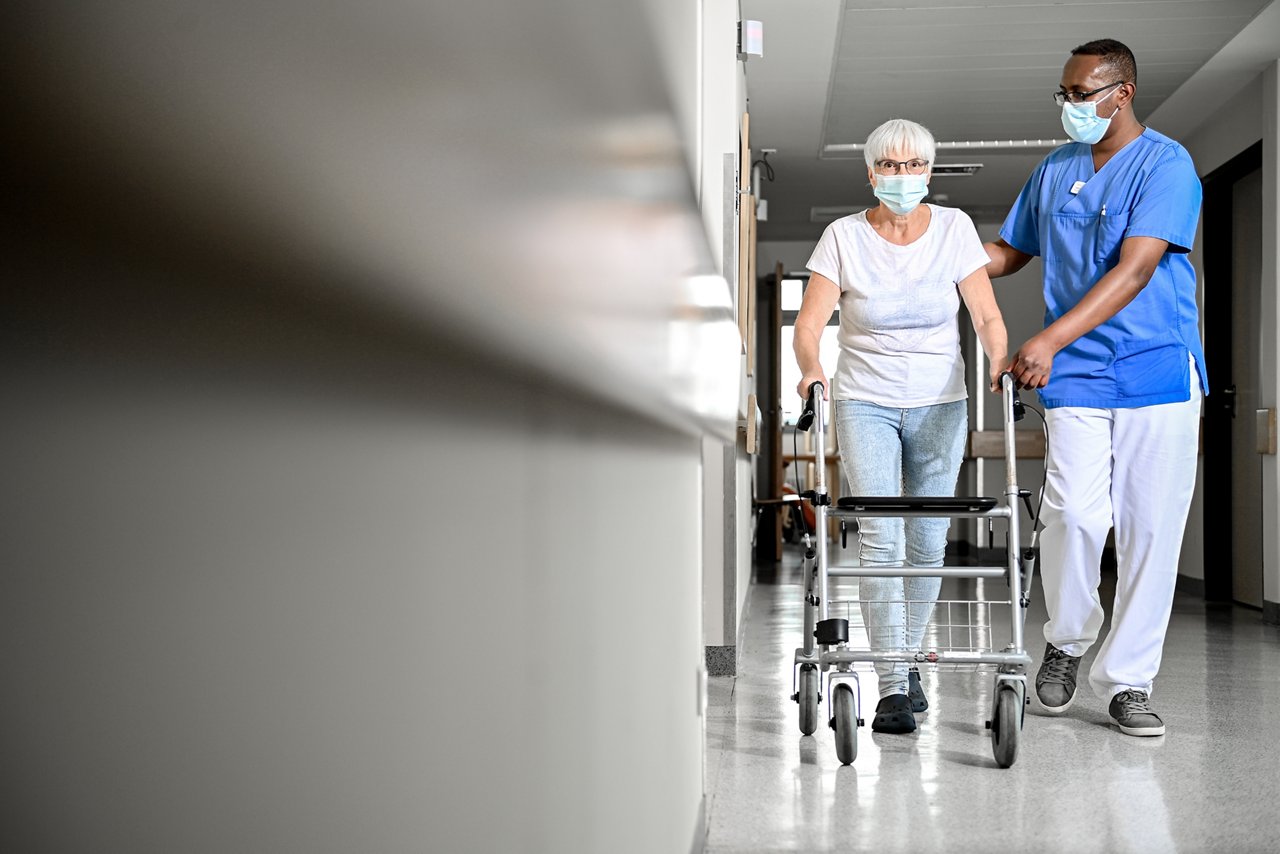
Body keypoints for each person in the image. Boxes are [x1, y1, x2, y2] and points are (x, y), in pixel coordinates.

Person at [984, 39, 1206, 737]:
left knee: (1149, 530)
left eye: (1084, 94)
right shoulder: (1055, 170)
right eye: (1066, 93)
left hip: (1156, 367)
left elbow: (1137, 270)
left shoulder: (1167, 165)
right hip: (1076, 371)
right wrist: (928, 245)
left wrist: (1045, 338)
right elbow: (1009, 253)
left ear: (1123, 92)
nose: (1072, 106)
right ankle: (1066, 638)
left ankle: (1129, 682)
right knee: (1073, 515)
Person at [795, 118, 1008, 735]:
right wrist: (811, 369)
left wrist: (1000, 361)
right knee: (882, 538)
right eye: (890, 165)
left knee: (928, 540)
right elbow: (809, 326)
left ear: (930, 173)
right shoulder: (842, 237)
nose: (902, 176)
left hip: (942, 402)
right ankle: (892, 681)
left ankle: (907, 658)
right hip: (865, 400)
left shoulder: (955, 229)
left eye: (915, 165)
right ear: (870, 172)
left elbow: (986, 315)